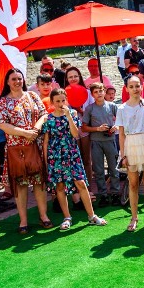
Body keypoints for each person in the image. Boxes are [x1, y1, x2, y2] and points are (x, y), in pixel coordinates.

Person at [0, 68, 53, 234]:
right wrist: (24, 133)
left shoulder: (32, 95)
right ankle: (23, 221)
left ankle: (44, 216)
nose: (17, 81)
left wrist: (35, 129)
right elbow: (2, 124)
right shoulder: (3, 102)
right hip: (16, 148)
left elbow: (43, 114)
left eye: (19, 78)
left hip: (34, 146)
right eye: (13, 79)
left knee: (39, 183)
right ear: (7, 82)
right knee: (20, 185)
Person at [41, 88, 107, 230]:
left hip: (71, 153)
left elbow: (76, 134)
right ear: (52, 102)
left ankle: (92, 216)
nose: (60, 103)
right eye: (57, 101)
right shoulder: (48, 119)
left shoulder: (73, 113)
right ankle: (67, 217)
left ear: (67, 100)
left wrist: (69, 117)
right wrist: (46, 162)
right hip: (56, 156)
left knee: (81, 183)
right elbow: (46, 141)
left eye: (63, 100)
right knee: (60, 186)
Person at [116, 75, 144, 231]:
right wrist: (123, 155)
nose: (135, 89)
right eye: (131, 86)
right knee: (133, 184)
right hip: (131, 146)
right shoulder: (121, 109)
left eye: (137, 86)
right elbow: (121, 134)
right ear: (126, 88)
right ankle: (134, 217)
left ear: (142, 87)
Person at [82, 83, 120, 206]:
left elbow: (122, 120)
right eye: (96, 92)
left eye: (101, 91)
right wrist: (97, 129)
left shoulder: (112, 106)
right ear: (92, 95)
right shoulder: (90, 109)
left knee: (113, 168)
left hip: (110, 140)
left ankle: (115, 193)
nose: (99, 93)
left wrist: (115, 127)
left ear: (105, 92)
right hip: (96, 142)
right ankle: (103, 194)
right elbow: (84, 127)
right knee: (98, 170)